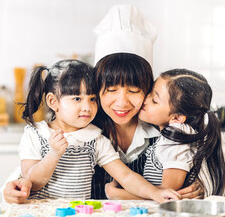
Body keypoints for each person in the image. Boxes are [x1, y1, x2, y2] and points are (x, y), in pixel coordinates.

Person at [2, 5, 203, 203]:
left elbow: (187, 180)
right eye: (111, 89)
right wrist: (13, 189)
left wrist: (197, 190)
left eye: (133, 90)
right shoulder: (80, 125)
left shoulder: (164, 129)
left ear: (148, 89)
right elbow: (25, 178)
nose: (122, 102)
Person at [19, 58, 179, 203]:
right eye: (77, 99)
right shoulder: (35, 133)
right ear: (53, 101)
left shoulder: (95, 138)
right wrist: (53, 154)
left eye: (92, 99)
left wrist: (155, 193)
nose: (87, 107)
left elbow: (126, 176)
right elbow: (30, 182)